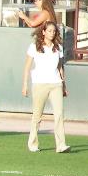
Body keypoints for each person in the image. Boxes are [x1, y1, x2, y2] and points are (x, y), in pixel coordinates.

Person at [22, 21, 69, 153]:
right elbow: (27, 67)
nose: (52, 33)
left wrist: (64, 84)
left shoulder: (58, 47)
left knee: (59, 114)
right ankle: (33, 143)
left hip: (56, 84)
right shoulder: (34, 46)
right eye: (49, 31)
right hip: (40, 83)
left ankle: (61, 145)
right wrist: (25, 84)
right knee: (37, 115)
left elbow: (60, 67)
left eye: (54, 31)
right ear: (43, 32)